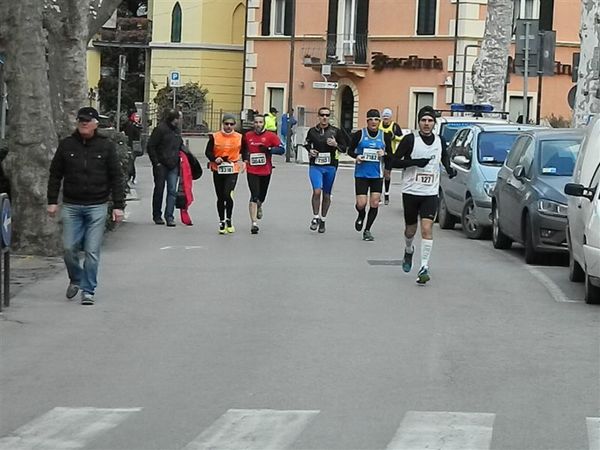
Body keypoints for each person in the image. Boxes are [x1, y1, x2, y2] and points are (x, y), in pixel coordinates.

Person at [47, 107, 125, 305]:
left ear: (96, 123)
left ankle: (88, 290)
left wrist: (118, 206)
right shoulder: (67, 145)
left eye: (88, 120)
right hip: (72, 205)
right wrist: (52, 201)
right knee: (68, 248)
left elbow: (116, 177)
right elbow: (55, 174)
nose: (84, 123)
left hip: (97, 205)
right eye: (81, 120)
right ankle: (76, 278)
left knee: (91, 250)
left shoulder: (105, 147)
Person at [392, 105, 456, 284]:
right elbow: (393, 162)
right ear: (418, 122)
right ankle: (408, 249)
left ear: (434, 124)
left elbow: (444, 158)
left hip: (430, 193)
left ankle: (424, 267)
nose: (427, 124)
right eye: (423, 120)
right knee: (410, 229)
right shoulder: (410, 140)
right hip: (411, 191)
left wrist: (450, 170)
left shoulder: (440, 140)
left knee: (427, 229)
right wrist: (415, 162)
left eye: (430, 121)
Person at [348, 109, 392, 241]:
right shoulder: (360, 134)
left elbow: (391, 155)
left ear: (379, 121)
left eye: (376, 119)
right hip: (361, 173)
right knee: (361, 204)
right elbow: (349, 150)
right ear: (367, 121)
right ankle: (361, 215)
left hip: (377, 175)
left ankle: (367, 230)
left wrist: (384, 154)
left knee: (374, 203)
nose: (373, 122)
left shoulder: (385, 136)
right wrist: (357, 156)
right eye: (371, 119)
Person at [305, 106, 347, 233]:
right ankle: (315, 217)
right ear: (318, 116)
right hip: (315, 166)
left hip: (330, 166)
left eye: (327, 115)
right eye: (322, 115)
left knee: (327, 194)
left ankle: (323, 219)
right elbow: (307, 144)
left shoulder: (336, 131)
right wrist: (310, 151)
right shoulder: (312, 131)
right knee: (317, 191)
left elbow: (344, 148)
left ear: (329, 117)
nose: (324, 117)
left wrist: (336, 145)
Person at [205, 113, 248, 234]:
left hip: (232, 168)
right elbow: (208, 152)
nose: (228, 126)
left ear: (234, 125)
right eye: (226, 124)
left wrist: (245, 161)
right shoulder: (215, 136)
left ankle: (229, 219)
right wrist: (214, 158)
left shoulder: (240, 137)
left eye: (231, 124)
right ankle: (221, 221)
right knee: (220, 197)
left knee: (227, 194)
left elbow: (245, 150)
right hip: (218, 168)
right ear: (222, 124)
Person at [243, 114, 285, 234]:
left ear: (264, 124)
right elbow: (244, 149)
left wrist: (269, 149)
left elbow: (282, 149)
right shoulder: (248, 136)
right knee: (253, 195)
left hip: (265, 170)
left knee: (262, 196)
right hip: (252, 170)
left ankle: (259, 205)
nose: (258, 125)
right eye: (256, 122)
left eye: (260, 122)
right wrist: (245, 158)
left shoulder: (271, 136)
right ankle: (254, 223)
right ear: (253, 124)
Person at [147, 109, 182, 227]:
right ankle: (157, 215)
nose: (181, 120)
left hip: (173, 165)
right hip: (161, 165)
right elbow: (151, 146)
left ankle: (169, 216)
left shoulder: (177, 131)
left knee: (172, 191)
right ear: (174, 119)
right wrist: (156, 162)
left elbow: (179, 146)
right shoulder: (160, 129)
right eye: (179, 118)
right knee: (159, 190)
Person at [379, 107, 404, 205]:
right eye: (384, 117)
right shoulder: (379, 125)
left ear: (390, 118)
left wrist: (394, 137)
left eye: (387, 118)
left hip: (390, 153)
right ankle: (379, 195)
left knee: (387, 175)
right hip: (379, 152)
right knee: (379, 174)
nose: (385, 119)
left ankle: (387, 193)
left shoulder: (394, 126)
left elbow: (402, 138)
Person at [124, 111, 142, 184]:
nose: (137, 118)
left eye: (138, 117)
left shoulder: (137, 125)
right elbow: (130, 135)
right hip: (131, 145)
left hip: (134, 146)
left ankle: (131, 176)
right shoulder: (131, 125)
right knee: (131, 162)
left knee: (131, 162)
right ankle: (131, 176)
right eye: (136, 117)